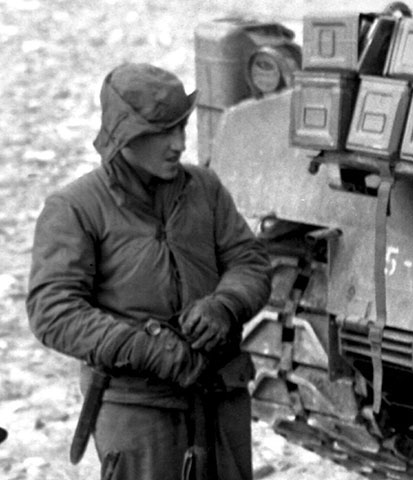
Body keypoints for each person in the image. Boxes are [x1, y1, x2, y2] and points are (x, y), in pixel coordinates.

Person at [26, 63, 271, 479]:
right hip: (137, 409)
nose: (179, 144)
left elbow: (249, 261)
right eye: (163, 131)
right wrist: (149, 349)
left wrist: (225, 305)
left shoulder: (205, 188)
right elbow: (53, 311)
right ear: (126, 137)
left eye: (182, 127)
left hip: (219, 396)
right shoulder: (75, 208)